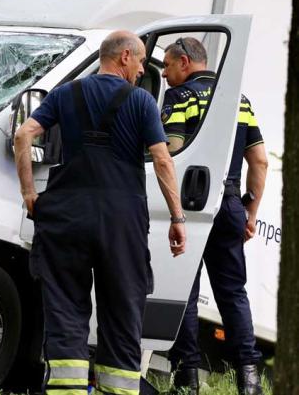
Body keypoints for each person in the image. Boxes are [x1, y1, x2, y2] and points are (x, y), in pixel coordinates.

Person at [14, 30, 186, 395]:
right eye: (140, 61)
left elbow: (23, 136)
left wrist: (30, 193)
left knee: (65, 312)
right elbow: (161, 160)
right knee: (122, 315)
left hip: (65, 219)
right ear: (124, 56)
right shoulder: (140, 102)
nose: (141, 71)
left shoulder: (65, 93)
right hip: (120, 224)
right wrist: (177, 218)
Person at [161, 37, 267, 395]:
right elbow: (260, 161)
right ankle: (249, 380)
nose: (164, 75)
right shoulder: (240, 100)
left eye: (168, 65)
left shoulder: (180, 98)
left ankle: (187, 378)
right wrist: (250, 210)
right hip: (231, 202)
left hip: (191, 203)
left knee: (186, 293)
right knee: (233, 293)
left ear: (186, 62)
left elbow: (172, 152)